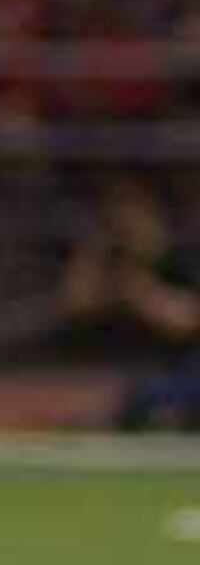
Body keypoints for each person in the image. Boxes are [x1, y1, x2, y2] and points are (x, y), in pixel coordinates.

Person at [60, 174, 200, 429]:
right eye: (115, 216)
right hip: (140, 370)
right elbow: (76, 306)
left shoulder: (182, 260)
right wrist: (93, 249)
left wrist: (136, 288)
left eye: (132, 213)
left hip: (186, 369)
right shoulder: (111, 259)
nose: (126, 223)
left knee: (154, 397)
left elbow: (185, 324)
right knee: (140, 396)